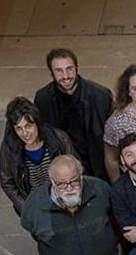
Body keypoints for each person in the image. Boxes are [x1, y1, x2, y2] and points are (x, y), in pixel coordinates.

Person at [34, 48, 112, 180]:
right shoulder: (43, 99)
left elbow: (112, 138)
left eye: (69, 69)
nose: (65, 76)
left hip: (97, 169)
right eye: (59, 71)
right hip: (64, 171)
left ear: (77, 68)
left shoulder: (101, 96)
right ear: (51, 73)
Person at [0, 96, 77, 215]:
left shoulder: (60, 139)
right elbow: (7, 181)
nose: (25, 133)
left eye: (28, 126)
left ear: (37, 123)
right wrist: (27, 208)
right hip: (34, 203)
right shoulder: (9, 148)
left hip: (62, 199)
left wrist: (71, 201)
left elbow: (75, 169)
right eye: (19, 128)